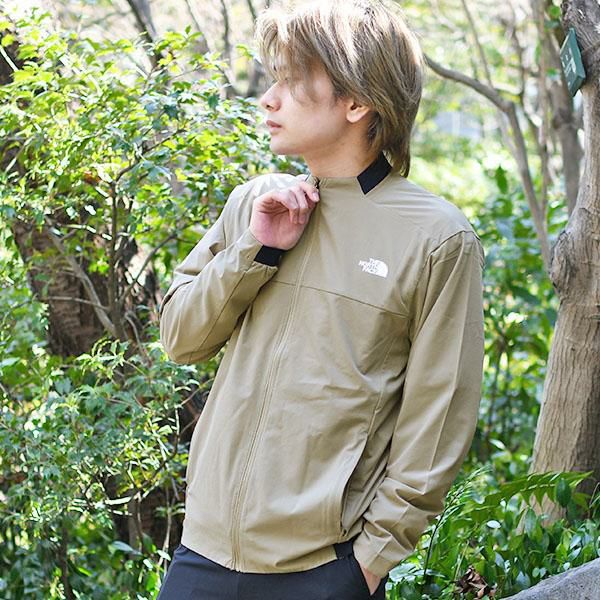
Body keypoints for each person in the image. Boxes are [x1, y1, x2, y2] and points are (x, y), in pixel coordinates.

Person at [157, 0, 485, 598]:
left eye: (290, 80)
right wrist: (255, 249)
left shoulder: (436, 238)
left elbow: (438, 420)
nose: (268, 99)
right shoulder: (255, 202)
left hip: (324, 571)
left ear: (356, 101)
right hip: (201, 555)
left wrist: (367, 564)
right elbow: (180, 339)